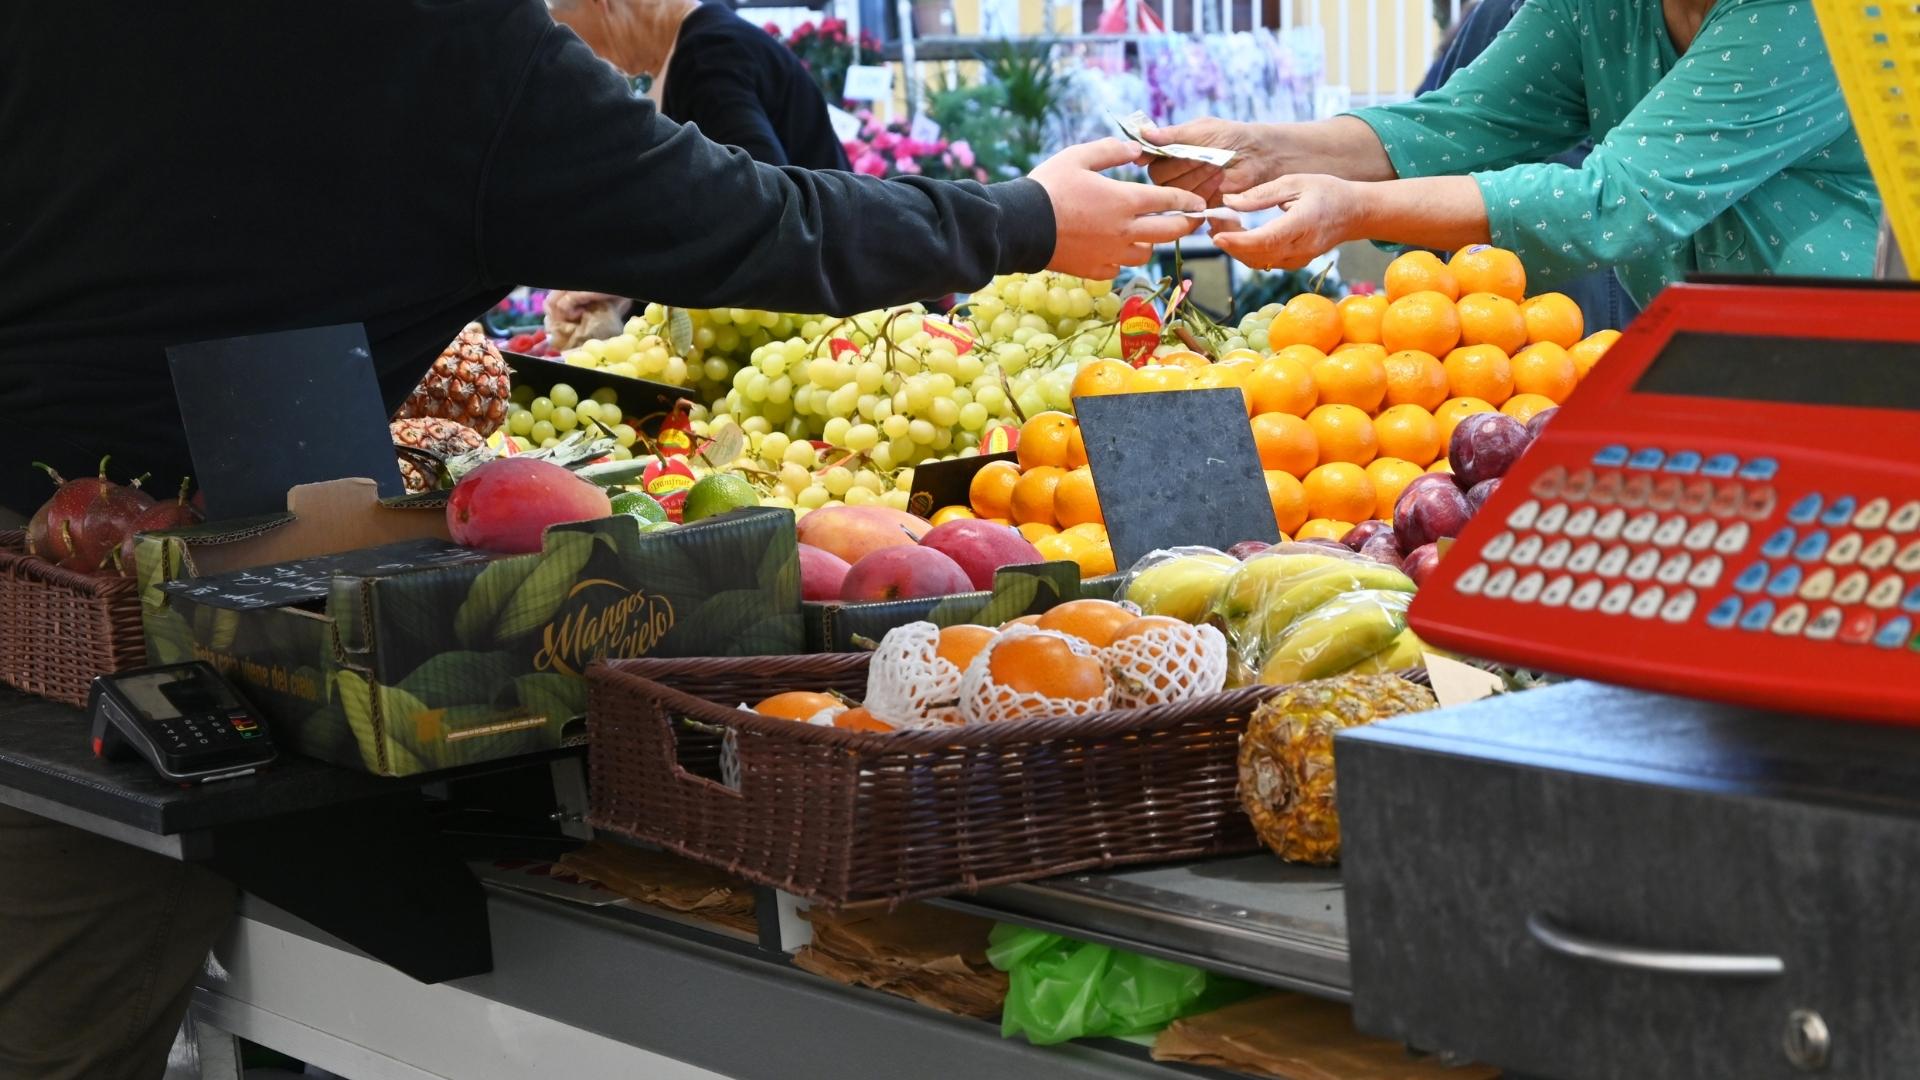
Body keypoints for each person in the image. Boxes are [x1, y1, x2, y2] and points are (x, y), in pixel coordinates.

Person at [0, 3, 1203, 1076]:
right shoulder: (451, 51)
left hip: (76, 553)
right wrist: (1024, 218)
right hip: (135, 603)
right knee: (53, 999)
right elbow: (750, 221)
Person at [1145, 0, 1880, 308]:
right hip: (1695, 366)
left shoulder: (1809, 14)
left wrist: (1354, 208)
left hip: (1850, 378)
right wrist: (1262, 150)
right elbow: (1457, 125)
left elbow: (1615, 202)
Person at [1414, 0, 1638, 330]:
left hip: (1652, 319)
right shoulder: (1498, 16)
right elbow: (1438, 147)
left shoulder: (1679, 23)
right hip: (1514, 332)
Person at [551, 0, 852, 171]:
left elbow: (760, 201)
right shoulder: (703, 46)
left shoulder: (707, 57)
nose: (578, 48)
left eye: (560, 23)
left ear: (599, 4)